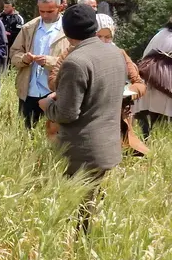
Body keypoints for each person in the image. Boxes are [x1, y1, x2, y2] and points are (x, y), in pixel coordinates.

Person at [39, 4, 126, 235]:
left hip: (81, 151)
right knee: (90, 209)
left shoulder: (75, 61)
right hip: (108, 144)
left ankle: (76, 256)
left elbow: (67, 114)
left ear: (66, 33)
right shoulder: (115, 53)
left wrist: (47, 105)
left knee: (74, 217)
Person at [48, 14, 149, 155]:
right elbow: (53, 80)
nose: (103, 40)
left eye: (107, 37)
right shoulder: (71, 53)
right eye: (99, 36)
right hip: (77, 115)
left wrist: (125, 94)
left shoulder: (118, 53)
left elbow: (139, 84)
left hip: (113, 116)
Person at [9, 0, 69, 129]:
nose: (45, 15)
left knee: (53, 136)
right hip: (29, 91)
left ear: (60, 8)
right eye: (42, 11)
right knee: (25, 132)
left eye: (50, 11)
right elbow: (14, 54)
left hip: (55, 93)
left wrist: (51, 62)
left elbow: (76, 59)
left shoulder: (68, 29)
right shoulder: (29, 28)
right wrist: (24, 58)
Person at [133, 17, 172, 138]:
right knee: (160, 133)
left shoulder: (161, 34)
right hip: (163, 90)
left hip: (149, 89)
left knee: (148, 133)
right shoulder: (167, 36)